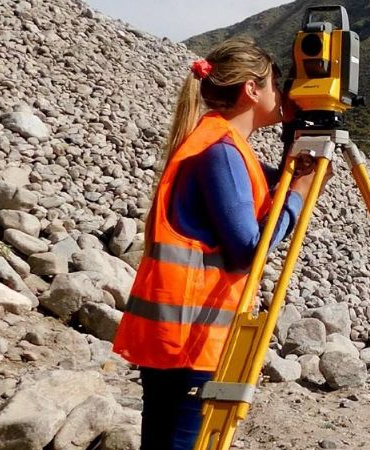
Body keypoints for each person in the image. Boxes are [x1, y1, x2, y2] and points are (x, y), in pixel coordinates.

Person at [112, 38, 330, 450]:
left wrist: (294, 143)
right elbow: (248, 247)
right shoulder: (221, 150)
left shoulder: (218, 143)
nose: (280, 95)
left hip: (176, 334)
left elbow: (270, 189)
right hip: (191, 339)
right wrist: (301, 189)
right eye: (274, 86)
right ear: (251, 89)